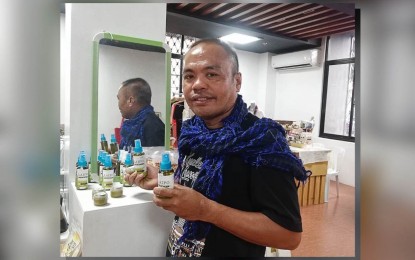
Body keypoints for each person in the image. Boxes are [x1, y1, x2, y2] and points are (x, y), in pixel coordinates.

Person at [125, 39, 311, 257]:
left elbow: (288, 235)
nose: (197, 85)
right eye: (189, 76)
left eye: (211, 74)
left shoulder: (261, 139)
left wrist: (206, 210)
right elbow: (199, 184)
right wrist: (164, 179)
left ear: (237, 81)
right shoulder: (193, 131)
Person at [117, 77, 165, 149]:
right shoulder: (133, 124)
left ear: (130, 101)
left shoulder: (152, 125)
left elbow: (155, 158)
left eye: (119, 99)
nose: (118, 104)